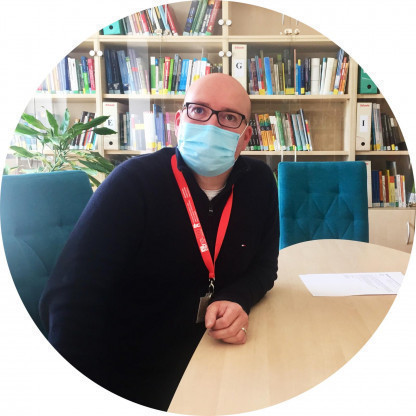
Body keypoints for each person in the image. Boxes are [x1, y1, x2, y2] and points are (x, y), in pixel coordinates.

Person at [39, 73, 279, 411]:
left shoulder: (260, 183)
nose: (210, 124)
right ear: (179, 122)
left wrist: (236, 298)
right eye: (199, 111)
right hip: (131, 371)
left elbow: (265, 268)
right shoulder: (132, 183)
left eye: (228, 117)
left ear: (245, 137)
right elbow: (71, 300)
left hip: (216, 355)